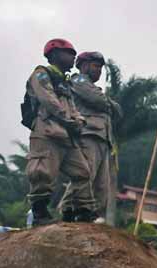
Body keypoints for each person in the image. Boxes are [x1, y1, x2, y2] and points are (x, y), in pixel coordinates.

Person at [24, 39, 96, 225]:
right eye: (69, 53)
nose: (73, 57)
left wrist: (79, 120)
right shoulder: (41, 74)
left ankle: (82, 212)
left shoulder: (64, 82)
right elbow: (48, 100)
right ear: (54, 55)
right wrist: (70, 119)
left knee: (82, 172)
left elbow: (72, 107)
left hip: (66, 135)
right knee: (42, 172)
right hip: (46, 132)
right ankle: (40, 213)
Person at [62, 51, 121, 223]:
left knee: (101, 184)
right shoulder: (79, 80)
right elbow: (96, 99)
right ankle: (68, 210)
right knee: (84, 176)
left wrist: (108, 103)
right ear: (84, 65)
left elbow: (113, 108)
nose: (99, 71)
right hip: (88, 134)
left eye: (101, 68)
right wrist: (110, 103)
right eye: (95, 66)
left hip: (102, 137)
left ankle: (90, 213)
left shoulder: (93, 87)